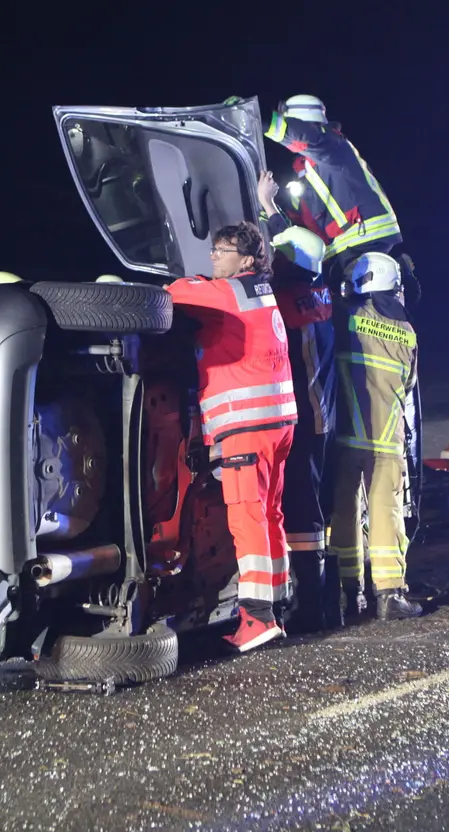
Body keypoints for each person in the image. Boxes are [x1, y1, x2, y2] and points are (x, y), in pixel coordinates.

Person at [167, 222, 297, 651]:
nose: (213, 257)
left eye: (222, 250)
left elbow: (173, 293)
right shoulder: (259, 291)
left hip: (247, 427)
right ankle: (278, 603)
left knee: (247, 517)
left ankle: (257, 620)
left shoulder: (225, 294)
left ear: (245, 260)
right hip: (278, 424)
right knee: (270, 514)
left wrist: (194, 280)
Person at [258, 172, 339, 633]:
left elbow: (274, 272)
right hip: (318, 415)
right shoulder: (315, 289)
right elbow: (295, 252)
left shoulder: (290, 300)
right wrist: (270, 210)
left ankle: (311, 605)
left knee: (304, 509)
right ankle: (319, 598)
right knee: (310, 505)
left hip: (305, 419)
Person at [331, 252, 423, 621]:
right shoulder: (406, 331)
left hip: (345, 435)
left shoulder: (345, 318)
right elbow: (410, 384)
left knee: (344, 512)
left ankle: (345, 593)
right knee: (386, 513)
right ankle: (389, 594)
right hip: (387, 439)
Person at [264, 95, 403, 292]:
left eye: (288, 121)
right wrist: (269, 211)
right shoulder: (310, 168)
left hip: (364, 236)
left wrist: (257, 119)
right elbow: (304, 220)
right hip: (343, 248)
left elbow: (304, 136)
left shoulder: (331, 145)